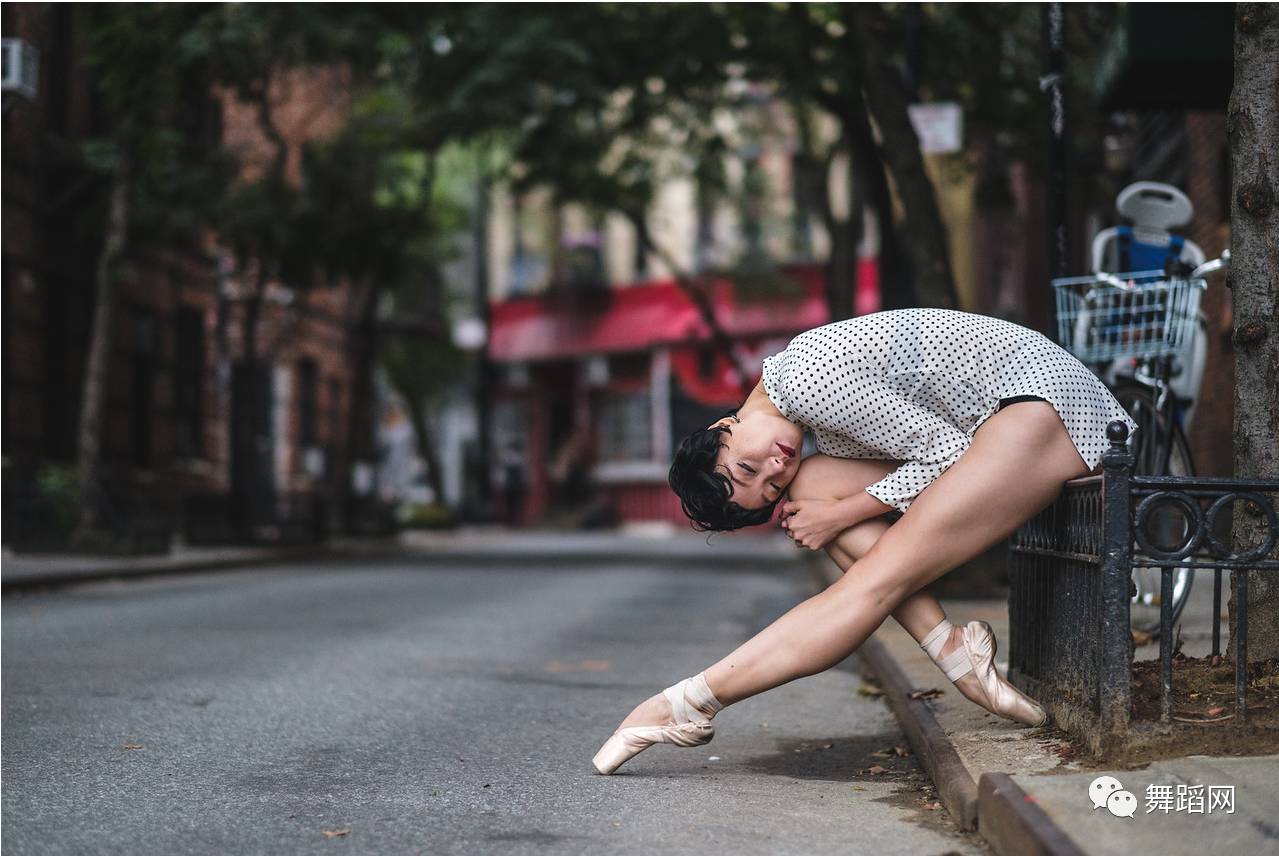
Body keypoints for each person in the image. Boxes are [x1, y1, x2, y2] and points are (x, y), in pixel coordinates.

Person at [592, 307, 1138, 774]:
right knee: (813, 486)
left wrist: (841, 515)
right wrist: (829, 508)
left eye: (747, 467)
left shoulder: (807, 383)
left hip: (1048, 411)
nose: (775, 469)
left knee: (867, 585)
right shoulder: (795, 396)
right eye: (765, 488)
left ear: (721, 427)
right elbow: (929, 451)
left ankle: (689, 702)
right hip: (1010, 416)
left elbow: (945, 452)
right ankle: (951, 649)